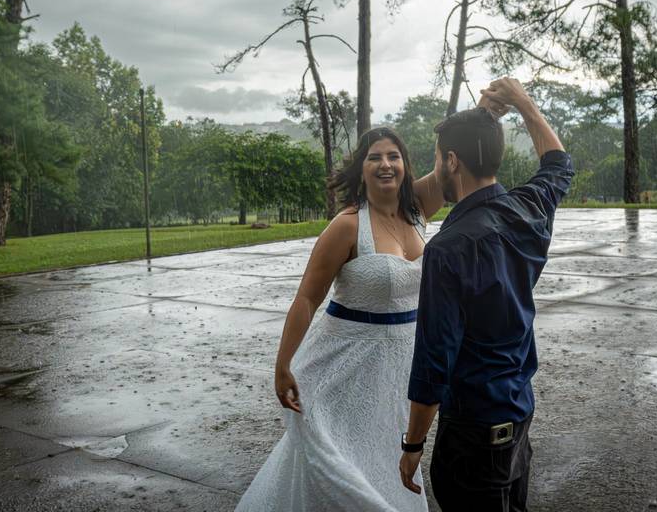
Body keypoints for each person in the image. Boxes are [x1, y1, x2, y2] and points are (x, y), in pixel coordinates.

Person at [235, 126, 445, 512]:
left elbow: (449, 159)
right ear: (360, 170)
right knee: (342, 465)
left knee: (384, 457)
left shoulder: (416, 213)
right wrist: (282, 364)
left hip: (399, 369)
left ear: (405, 166)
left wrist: (488, 111)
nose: (385, 164)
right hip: (342, 368)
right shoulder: (347, 225)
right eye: (374, 157)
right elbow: (307, 298)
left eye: (393, 157)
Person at [398, 77, 575, 511]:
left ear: (452, 161)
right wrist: (522, 104)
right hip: (517, 412)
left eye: (439, 158)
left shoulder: (447, 248)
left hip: (473, 431)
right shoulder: (529, 210)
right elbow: (558, 165)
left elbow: (433, 362)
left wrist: (413, 444)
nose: (436, 166)